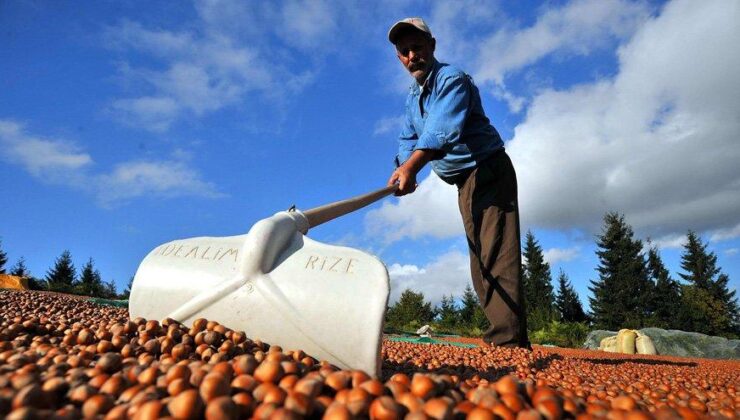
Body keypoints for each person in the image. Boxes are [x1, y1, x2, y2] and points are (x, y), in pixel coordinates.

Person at [386, 17, 530, 349]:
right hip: (465, 181)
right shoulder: (413, 97)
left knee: (495, 254)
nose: (412, 56)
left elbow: (440, 131)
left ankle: (507, 345)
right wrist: (402, 168)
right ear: (399, 58)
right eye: (404, 52)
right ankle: (511, 341)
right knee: (480, 260)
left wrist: (412, 167)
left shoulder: (452, 79)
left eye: (417, 48)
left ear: (432, 46)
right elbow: (408, 137)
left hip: (487, 169)